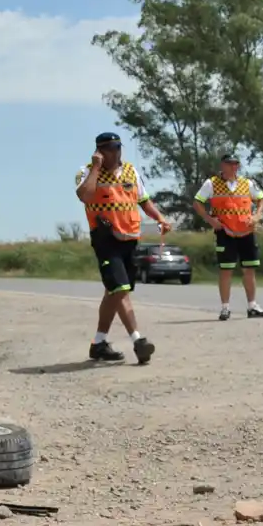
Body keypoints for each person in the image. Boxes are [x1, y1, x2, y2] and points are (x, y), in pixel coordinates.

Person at [75, 132, 172, 364]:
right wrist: (96, 167)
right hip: (106, 238)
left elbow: (143, 200)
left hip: (130, 238)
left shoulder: (130, 171)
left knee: (114, 291)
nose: (115, 152)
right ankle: (138, 341)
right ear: (99, 151)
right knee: (120, 288)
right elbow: (85, 196)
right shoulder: (87, 172)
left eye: (118, 147)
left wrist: (159, 217)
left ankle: (98, 344)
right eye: (109, 148)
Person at [193, 153, 263, 321]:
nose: (233, 167)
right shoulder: (212, 183)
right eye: (230, 164)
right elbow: (197, 202)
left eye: (236, 164)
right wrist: (210, 220)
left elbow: (262, 199)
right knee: (226, 270)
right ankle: (225, 308)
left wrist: (257, 216)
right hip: (225, 232)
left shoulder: (247, 183)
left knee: (249, 269)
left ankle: (252, 306)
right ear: (222, 165)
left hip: (246, 232)